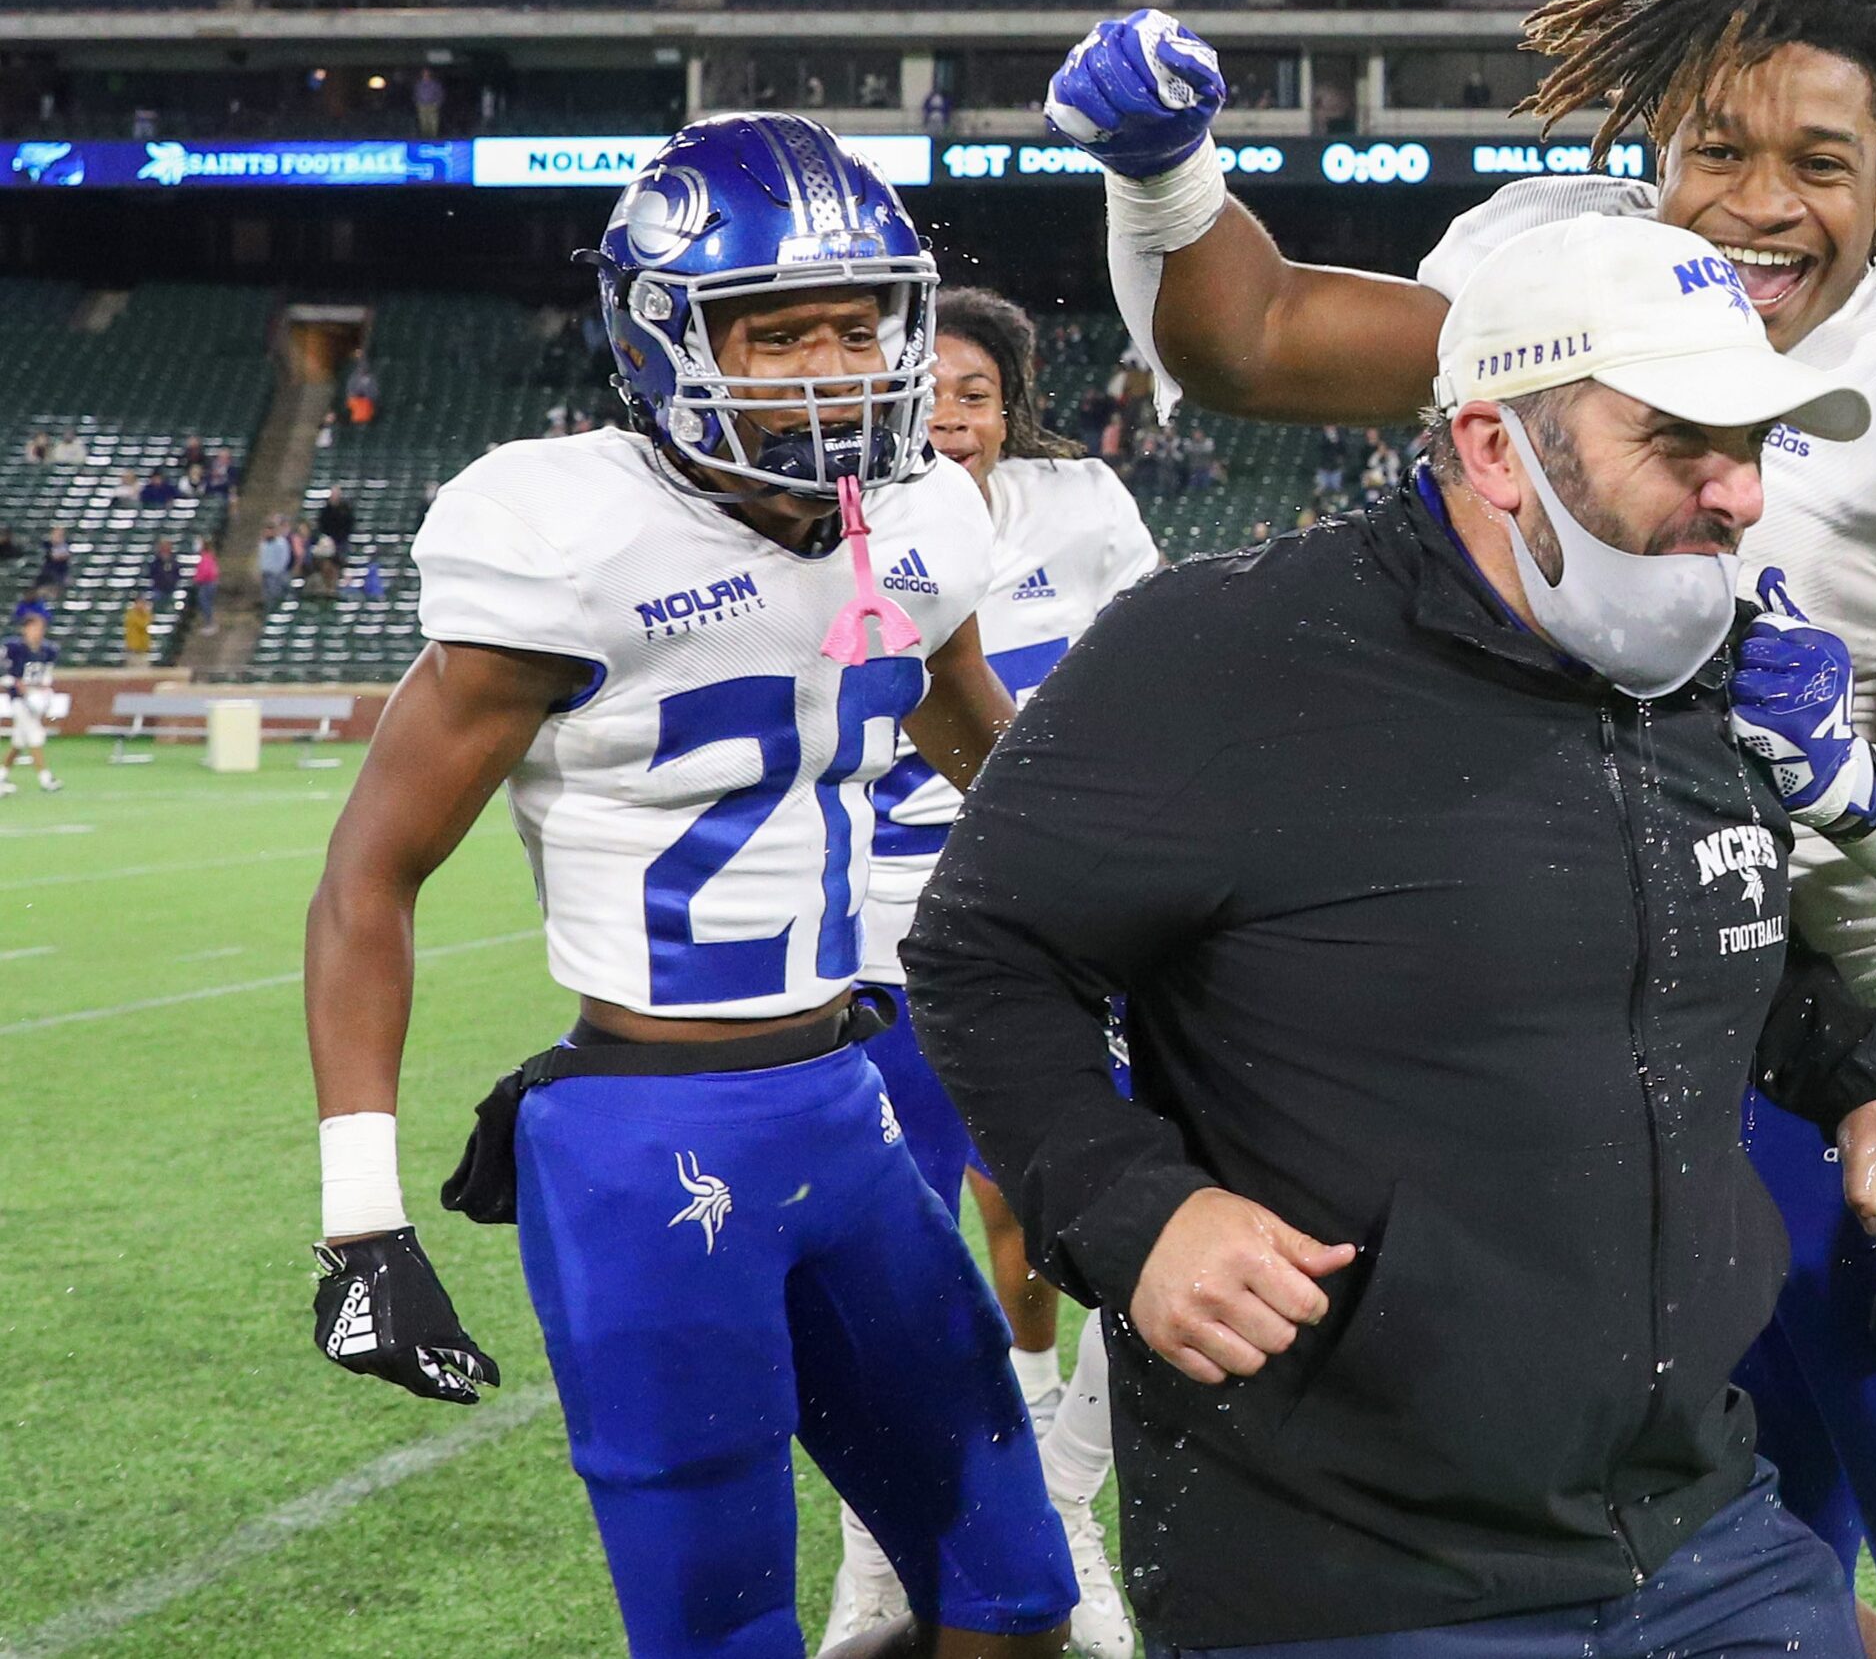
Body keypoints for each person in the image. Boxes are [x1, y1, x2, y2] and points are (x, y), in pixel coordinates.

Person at [1047, 0, 1876, 1657]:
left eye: (1819, 159)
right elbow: (1243, 338)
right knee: (1713, 1581)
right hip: (1568, 1049)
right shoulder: (1553, 293)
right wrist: (1166, 171)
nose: (1763, 201)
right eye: (1718, 149)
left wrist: (1836, 778)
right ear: (1650, 148)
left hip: (1868, 1041)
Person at [907, 212, 1876, 1657]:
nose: (1736, 494)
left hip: (1701, 1526)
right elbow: (982, 952)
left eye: (1755, 443)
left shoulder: (1702, 654)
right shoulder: (1219, 654)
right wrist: (1130, 1205)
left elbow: (1715, 911)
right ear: (1493, 448)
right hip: (1348, 1571)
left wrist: (1873, 1075)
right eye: (1679, 441)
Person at [298, 116, 1076, 1659]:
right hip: (646, 1138)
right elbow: (366, 880)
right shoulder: (563, 536)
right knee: (723, 1633)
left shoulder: (921, 516)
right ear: (666, 340)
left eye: (859, 326)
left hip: (851, 1103)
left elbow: (992, 755)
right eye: (777, 332)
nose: (834, 366)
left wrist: (1154, 955)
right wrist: (358, 1223)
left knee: (1016, 1596)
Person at [827, 287, 1156, 1657]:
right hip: (873, 941)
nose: (951, 413)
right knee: (887, 1262)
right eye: (931, 387)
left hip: (1054, 928)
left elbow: (1152, 677)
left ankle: (1066, 1498)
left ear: (1009, 404)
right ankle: (877, 1553)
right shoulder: (828, 515)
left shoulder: (1075, 509)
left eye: (976, 389)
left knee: (1090, 1233)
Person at [3, 608, 64, 794]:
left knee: (19, 742)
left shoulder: (47, 650)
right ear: (25, 629)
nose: (38, 632)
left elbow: (46, 674)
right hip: (20, 700)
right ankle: (46, 779)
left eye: (40, 628)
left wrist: (44, 686)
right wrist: (15, 682)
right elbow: (4, 675)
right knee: (35, 736)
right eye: (34, 628)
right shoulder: (14, 649)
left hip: (36, 698)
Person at [192, 536, 220, 632]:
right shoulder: (208, 556)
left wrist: (197, 579)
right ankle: (209, 623)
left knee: (205, 603)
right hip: (209, 583)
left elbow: (206, 572)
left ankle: (210, 624)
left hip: (207, 583)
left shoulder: (206, 557)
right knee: (207, 603)